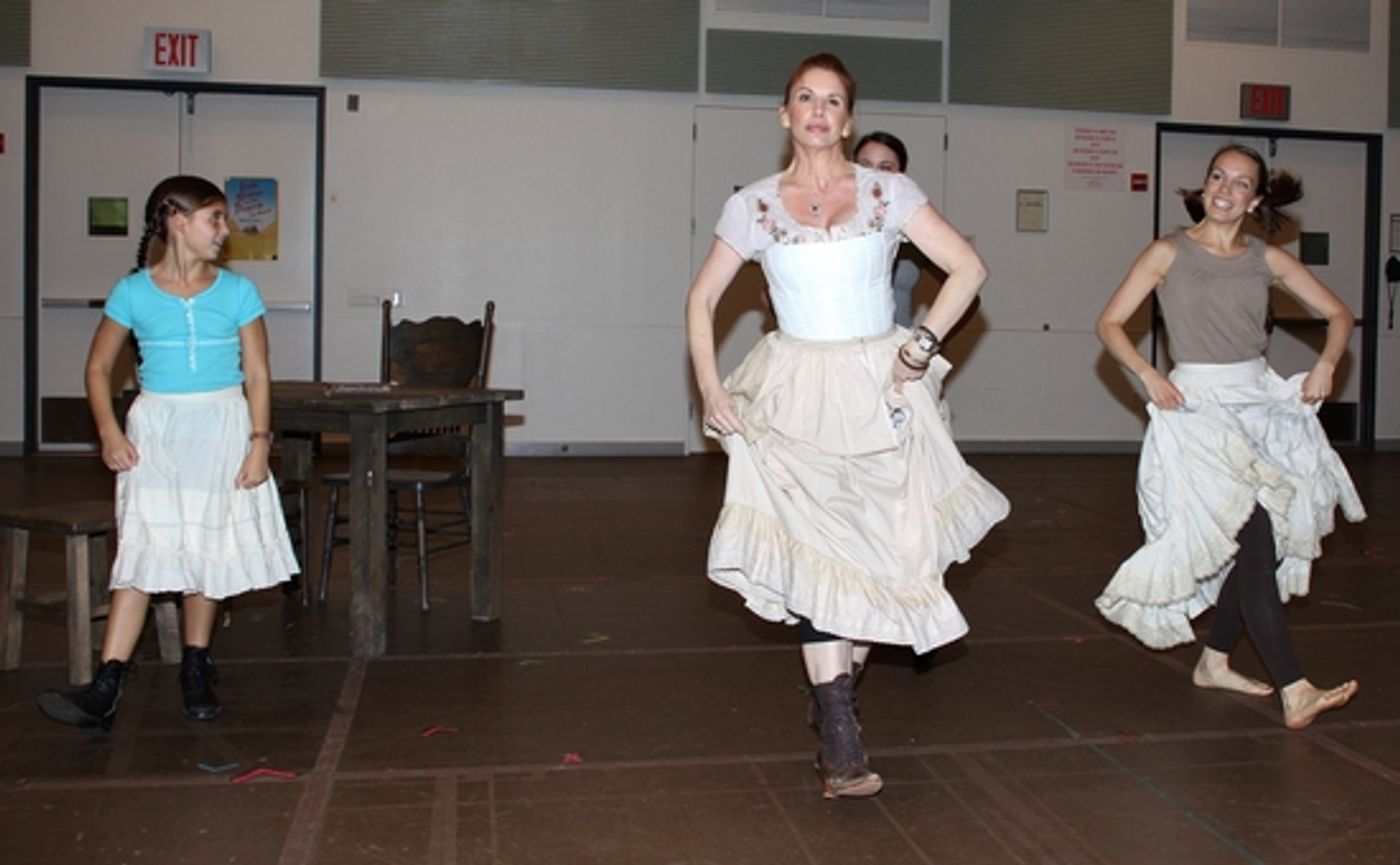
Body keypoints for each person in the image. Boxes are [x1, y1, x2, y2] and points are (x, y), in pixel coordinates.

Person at [685, 54, 1009, 798]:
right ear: (785, 114)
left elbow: (969, 268)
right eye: (806, 97)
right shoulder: (755, 206)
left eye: (833, 100)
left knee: (883, 558)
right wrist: (710, 386)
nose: (819, 110)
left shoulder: (887, 193)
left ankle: (835, 700)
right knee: (816, 557)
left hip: (878, 390)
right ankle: (840, 737)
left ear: (849, 118)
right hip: (796, 393)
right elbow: (700, 301)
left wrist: (921, 346)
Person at [1094, 144, 1366, 730]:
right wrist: (1147, 374)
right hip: (1198, 412)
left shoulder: (1264, 259)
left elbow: (1340, 315)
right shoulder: (1168, 251)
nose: (1225, 189)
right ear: (1205, 184)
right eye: (1218, 176)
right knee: (1257, 539)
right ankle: (1295, 689)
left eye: (1241, 183)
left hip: (1259, 405)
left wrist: (1327, 364)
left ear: (1256, 199)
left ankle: (1213, 661)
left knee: (1253, 549)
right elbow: (1110, 323)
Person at [38, 175, 300, 731]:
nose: (224, 232)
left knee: (204, 550)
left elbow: (257, 372)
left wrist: (259, 443)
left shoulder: (237, 292)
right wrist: (110, 432)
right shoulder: (133, 292)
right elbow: (96, 368)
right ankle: (107, 683)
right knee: (144, 546)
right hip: (157, 429)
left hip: (222, 425)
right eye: (215, 219)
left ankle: (196, 664)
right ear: (178, 221)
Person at [853, 131, 921, 328]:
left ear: (901, 175)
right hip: (841, 348)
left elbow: (966, 272)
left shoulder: (913, 222)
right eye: (864, 166)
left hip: (896, 351)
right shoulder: (832, 217)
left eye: (885, 168)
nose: (873, 175)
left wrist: (930, 340)